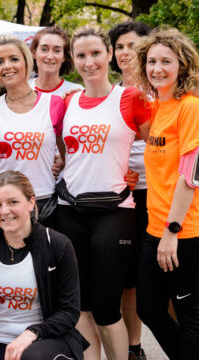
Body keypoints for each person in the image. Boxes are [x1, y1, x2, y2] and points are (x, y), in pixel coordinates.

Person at [54, 25, 150, 360]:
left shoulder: (131, 98)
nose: (89, 61)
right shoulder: (67, 102)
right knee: (80, 306)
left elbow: (160, 146)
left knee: (108, 307)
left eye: (96, 53)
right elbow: (64, 153)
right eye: (81, 55)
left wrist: (140, 173)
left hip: (115, 211)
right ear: (73, 60)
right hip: (70, 209)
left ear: (109, 55)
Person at [134, 27, 199, 360]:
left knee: (190, 317)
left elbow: (190, 177)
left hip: (183, 232)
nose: (157, 68)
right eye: (151, 61)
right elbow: (162, 166)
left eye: (166, 61)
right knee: (149, 308)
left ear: (183, 65)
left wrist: (172, 232)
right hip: (154, 228)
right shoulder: (159, 107)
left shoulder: (190, 107)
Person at [0, 170, 87, 360]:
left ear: (31, 202)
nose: (4, 211)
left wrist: (32, 332)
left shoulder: (57, 244)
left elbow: (70, 311)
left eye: (13, 202)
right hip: (3, 339)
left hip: (50, 337)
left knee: (30, 357)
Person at [0, 35, 66, 230]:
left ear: (27, 62)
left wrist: (59, 163)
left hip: (43, 202)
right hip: (2, 203)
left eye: (14, 59)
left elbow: (68, 154)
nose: (7, 66)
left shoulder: (54, 104)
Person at [109, 21, 151, 360]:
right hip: (121, 196)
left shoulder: (162, 91)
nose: (126, 52)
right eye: (120, 46)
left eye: (133, 45)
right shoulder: (108, 93)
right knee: (127, 279)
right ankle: (133, 348)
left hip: (158, 194)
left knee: (166, 277)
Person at [29, 25, 84, 95]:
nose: (50, 56)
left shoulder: (76, 92)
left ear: (64, 56)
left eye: (57, 51)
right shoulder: (21, 89)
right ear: (34, 53)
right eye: (44, 49)